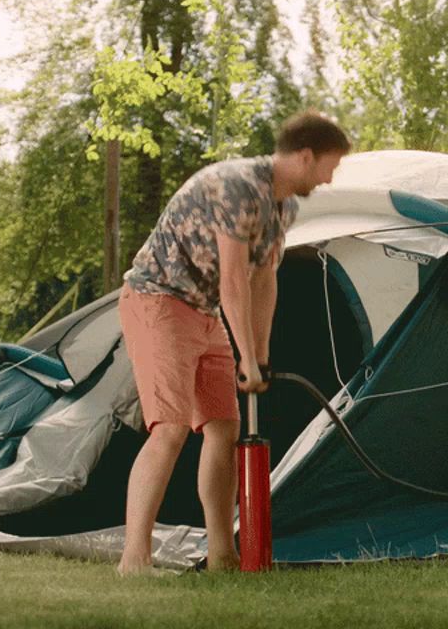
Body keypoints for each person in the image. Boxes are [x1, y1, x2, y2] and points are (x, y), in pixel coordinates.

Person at [117, 110, 351, 575]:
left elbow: (264, 280)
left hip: (200, 311)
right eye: (331, 164)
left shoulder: (283, 206)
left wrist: (258, 354)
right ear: (305, 156)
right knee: (170, 428)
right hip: (157, 299)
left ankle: (223, 554)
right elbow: (232, 281)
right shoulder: (239, 185)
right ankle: (134, 558)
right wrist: (245, 353)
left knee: (224, 427)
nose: (331, 176)